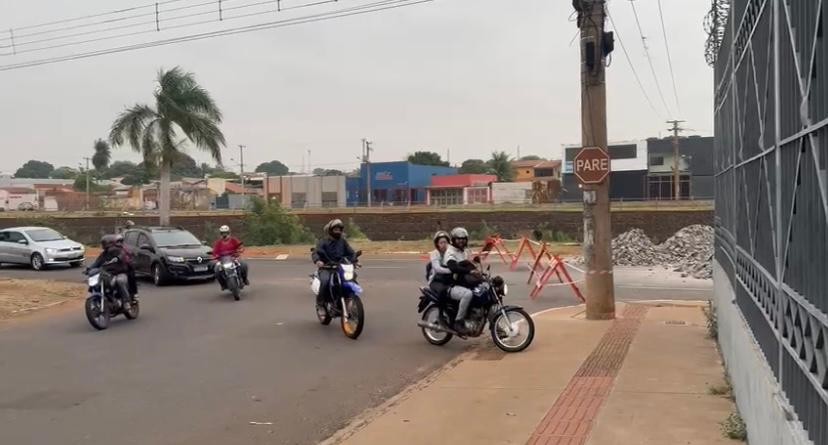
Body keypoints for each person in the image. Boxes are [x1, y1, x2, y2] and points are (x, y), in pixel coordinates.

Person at [312, 219, 357, 307]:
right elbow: (316, 252)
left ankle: (350, 298)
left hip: (340, 267)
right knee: (325, 281)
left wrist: (355, 261)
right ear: (330, 230)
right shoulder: (323, 241)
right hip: (326, 267)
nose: (338, 231)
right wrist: (318, 261)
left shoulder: (343, 241)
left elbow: (351, 253)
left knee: (352, 277)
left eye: (339, 229)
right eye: (335, 229)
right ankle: (320, 303)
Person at [444, 227, 481, 333]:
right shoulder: (450, 252)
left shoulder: (464, 251)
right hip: (451, 284)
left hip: (463, 282)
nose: (461, 241)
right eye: (458, 238)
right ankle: (458, 321)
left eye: (463, 238)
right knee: (468, 294)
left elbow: (469, 264)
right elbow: (453, 267)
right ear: (453, 240)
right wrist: (470, 272)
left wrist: (477, 267)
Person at [88, 234, 133, 310]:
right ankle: (99, 300)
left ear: (111, 243)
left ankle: (126, 302)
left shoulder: (118, 250)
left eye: (105, 243)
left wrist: (118, 258)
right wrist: (89, 268)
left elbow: (122, 255)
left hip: (120, 273)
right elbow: (97, 263)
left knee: (120, 281)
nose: (104, 245)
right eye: (103, 243)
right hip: (108, 274)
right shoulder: (103, 254)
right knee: (97, 282)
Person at [427, 231, 452, 298]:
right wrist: (451, 270)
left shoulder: (451, 253)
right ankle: (442, 308)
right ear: (437, 244)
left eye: (445, 242)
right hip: (436, 280)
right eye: (441, 243)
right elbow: (437, 269)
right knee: (443, 291)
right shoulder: (434, 253)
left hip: (448, 279)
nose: (443, 244)